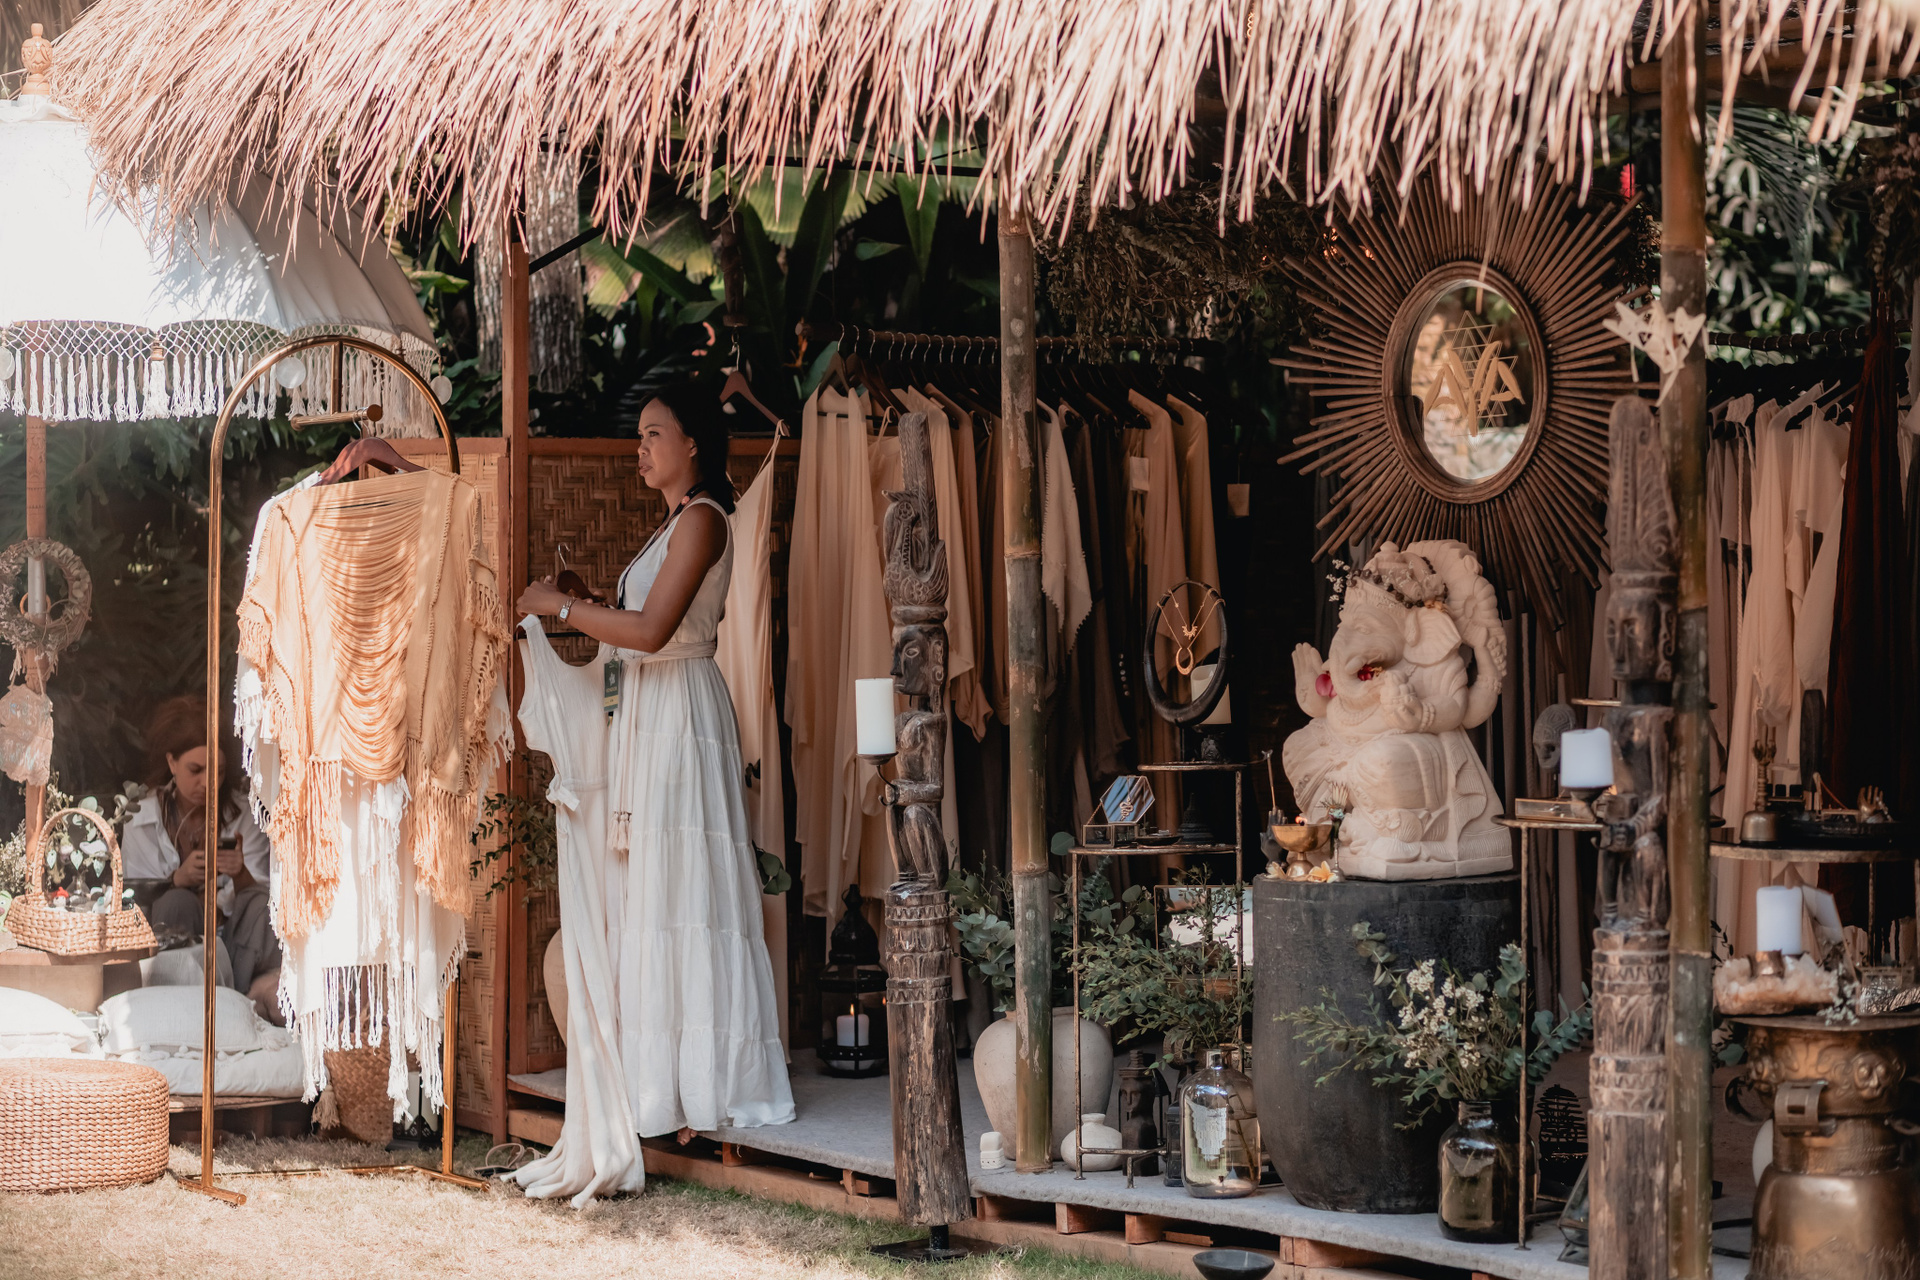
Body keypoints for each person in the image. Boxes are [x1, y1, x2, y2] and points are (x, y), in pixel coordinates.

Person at [516, 384, 795, 1144]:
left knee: (684, 886)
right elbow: (635, 620)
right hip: (651, 707)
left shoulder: (703, 520)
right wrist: (585, 598)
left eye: (653, 434)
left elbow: (650, 631)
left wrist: (559, 609)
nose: (639, 448)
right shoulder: (673, 522)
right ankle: (661, 1082)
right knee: (655, 889)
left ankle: (705, 1084)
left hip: (680, 712)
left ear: (692, 442)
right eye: (639, 435)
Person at [120, 695, 280, 1013]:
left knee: (261, 903)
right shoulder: (142, 818)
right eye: (195, 770)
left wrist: (240, 874)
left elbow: (266, 896)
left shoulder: (244, 814)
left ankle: (238, 1002)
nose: (207, 783)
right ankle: (177, 1004)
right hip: (175, 937)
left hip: (236, 945)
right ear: (172, 763)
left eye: (217, 772)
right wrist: (176, 880)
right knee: (176, 901)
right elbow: (130, 899)